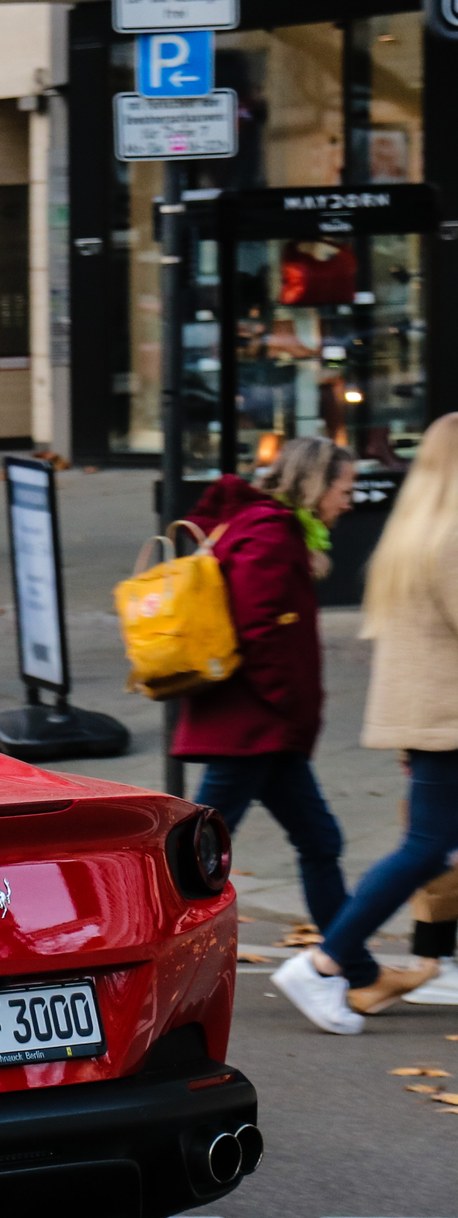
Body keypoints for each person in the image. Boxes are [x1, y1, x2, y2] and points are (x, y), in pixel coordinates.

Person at [275, 414, 458, 1032]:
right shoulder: (453, 536)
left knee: (429, 848)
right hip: (448, 718)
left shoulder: (414, 533)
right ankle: (326, 963)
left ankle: (336, 964)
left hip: (428, 717)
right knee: (426, 849)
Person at [178, 436, 353, 1002]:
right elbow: (260, 628)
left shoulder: (272, 527)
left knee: (318, 839)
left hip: (264, 730)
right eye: (343, 488)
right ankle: (138, 943)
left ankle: (355, 963)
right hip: (253, 728)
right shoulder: (273, 532)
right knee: (194, 855)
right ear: (316, 485)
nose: (348, 501)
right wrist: (287, 703)